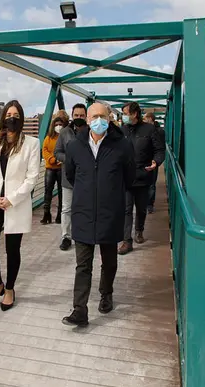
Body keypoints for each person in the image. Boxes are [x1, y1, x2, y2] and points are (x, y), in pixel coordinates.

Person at [61, 103, 135, 327]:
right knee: (83, 265)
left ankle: (106, 294)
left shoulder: (122, 145)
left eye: (103, 116)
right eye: (94, 116)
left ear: (110, 118)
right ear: (88, 119)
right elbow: (72, 175)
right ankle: (79, 310)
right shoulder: (75, 146)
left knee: (109, 261)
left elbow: (129, 177)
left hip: (109, 213)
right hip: (83, 213)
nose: (98, 120)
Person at [0, 100, 40, 312]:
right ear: (3, 117)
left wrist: (10, 199)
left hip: (15, 204)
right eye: (9, 114)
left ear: (20, 119)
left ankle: (10, 289)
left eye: (16, 115)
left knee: (13, 250)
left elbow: (32, 177)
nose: (12, 118)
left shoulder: (31, 143)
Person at [119, 102, 165, 255]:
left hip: (143, 175)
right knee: (126, 209)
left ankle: (139, 230)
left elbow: (159, 150)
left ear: (135, 114)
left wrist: (156, 162)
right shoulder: (121, 130)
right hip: (125, 177)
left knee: (141, 208)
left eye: (126, 113)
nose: (124, 116)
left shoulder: (150, 129)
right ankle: (127, 241)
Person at [54, 103, 87, 251]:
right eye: (76, 115)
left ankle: (83, 235)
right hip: (68, 177)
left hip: (87, 177)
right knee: (66, 208)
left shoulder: (91, 131)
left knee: (85, 207)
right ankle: (66, 237)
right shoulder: (65, 132)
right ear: (72, 116)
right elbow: (57, 152)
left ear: (86, 116)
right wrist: (70, 158)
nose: (79, 118)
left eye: (82, 115)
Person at [40, 111, 69, 224]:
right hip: (50, 168)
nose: (58, 127)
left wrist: (59, 159)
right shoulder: (48, 137)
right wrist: (53, 159)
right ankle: (46, 214)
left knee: (62, 192)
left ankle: (59, 216)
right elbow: (44, 150)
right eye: (56, 125)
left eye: (60, 125)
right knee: (48, 191)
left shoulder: (65, 137)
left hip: (61, 168)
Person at [143, 112, 165, 214]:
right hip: (142, 160)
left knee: (151, 184)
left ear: (150, 119)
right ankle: (144, 203)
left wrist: (157, 161)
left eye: (145, 118)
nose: (143, 120)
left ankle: (149, 204)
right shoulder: (143, 129)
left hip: (153, 161)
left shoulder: (159, 131)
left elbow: (161, 148)